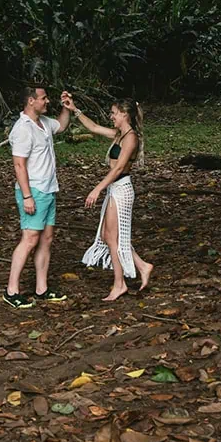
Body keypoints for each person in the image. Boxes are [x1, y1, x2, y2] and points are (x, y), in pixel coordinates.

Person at [63, 92, 153, 301]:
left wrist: (97, 189)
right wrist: (74, 109)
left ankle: (119, 284)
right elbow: (94, 127)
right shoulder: (119, 134)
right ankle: (142, 266)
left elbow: (119, 168)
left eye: (114, 113)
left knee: (112, 238)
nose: (111, 116)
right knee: (108, 236)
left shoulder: (131, 138)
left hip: (121, 189)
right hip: (115, 189)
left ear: (124, 114)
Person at [3, 85, 72, 309]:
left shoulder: (43, 123)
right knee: (30, 239)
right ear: (31, 101)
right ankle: (11, 290)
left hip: (49, 189)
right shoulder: (23, 128)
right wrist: (27, 196)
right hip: (33, 190)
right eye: (43, 98)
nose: (47, 101)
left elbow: (61, 125)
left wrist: (66, 107)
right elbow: (19, 165)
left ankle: (41, 288)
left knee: (46, 239)